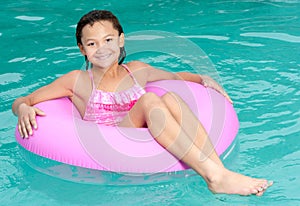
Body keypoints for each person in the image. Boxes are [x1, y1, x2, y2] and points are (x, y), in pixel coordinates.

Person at [12, 10, 272, 196]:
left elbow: (177, 78)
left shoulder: (137, 70)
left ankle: (219, 173)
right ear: (82, 49)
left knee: (171, 97)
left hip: (141, 133)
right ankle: (214, 176)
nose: (101, 48)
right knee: (149, 100)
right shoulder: (76, 80)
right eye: (92, 43)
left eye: (108, 40)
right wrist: (23, 108)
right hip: (109, 143)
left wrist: (204, 79)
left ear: (121, 40)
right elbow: (24, 100)